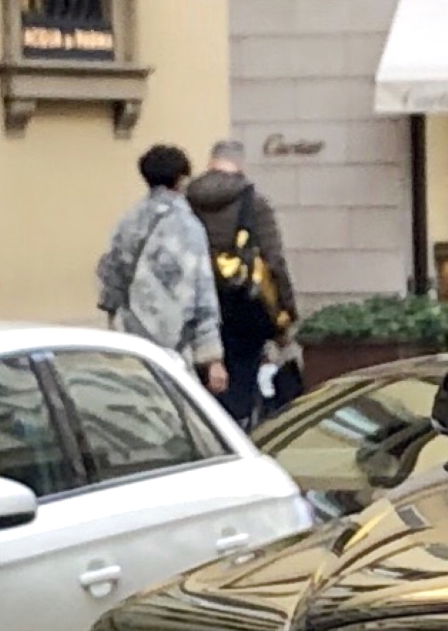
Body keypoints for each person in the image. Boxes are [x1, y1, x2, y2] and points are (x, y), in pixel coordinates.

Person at [97, 144, 227, 395]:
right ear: (181, 179)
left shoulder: (128, 221)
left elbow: (109, 281)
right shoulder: (188, 227)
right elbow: (202, 294)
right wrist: (212, 359)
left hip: (131, 344)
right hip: (173, 348)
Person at [186, 139, 298, 425]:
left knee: (199, 392)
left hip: (194, 307)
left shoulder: (187, 199)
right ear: (240, 163)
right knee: (240, 388)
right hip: (243, 308)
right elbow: (274, 262)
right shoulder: (253, 202)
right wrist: (286, 314)